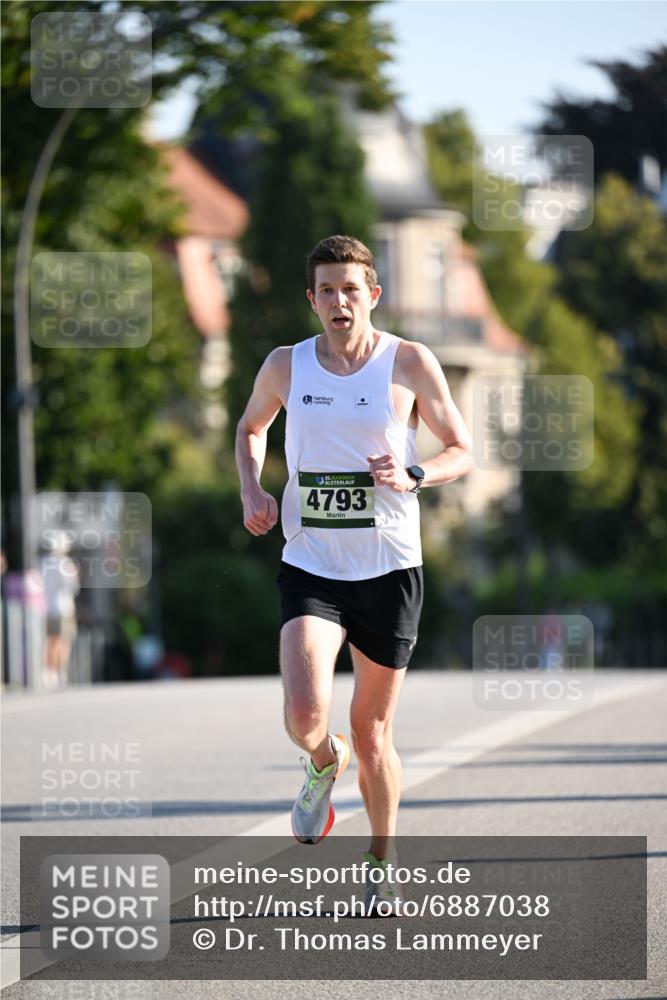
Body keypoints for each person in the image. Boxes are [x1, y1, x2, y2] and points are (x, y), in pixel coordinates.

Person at [235, 234, 473, 914]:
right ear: (311, 300)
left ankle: (380, 858)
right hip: (311, 561)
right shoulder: (286, 365)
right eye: (327, 290)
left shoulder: (408, 362)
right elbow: (251, 428)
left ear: (373, 295)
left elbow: (461, 448)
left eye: (351, 288)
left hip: (389, 567)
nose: (340, 301)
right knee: (304, 713)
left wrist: (415, 472)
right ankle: (318, 760)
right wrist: (253, 490)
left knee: (372, 733)